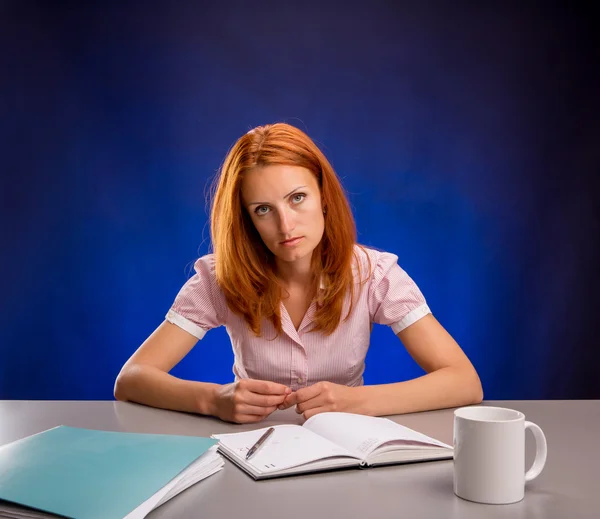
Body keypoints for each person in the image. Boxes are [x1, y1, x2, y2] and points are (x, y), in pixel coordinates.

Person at [114, 123, 483, 423]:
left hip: (346, 451)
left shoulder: (375, 274)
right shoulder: (218, 279)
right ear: (246, 220)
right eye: (262, 209)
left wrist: (358, 401)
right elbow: (131, 379)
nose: (285, 225)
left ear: (323, 195)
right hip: (251, 452)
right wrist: (215, 400)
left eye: (297, 198)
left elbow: (464, 381)